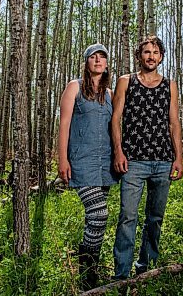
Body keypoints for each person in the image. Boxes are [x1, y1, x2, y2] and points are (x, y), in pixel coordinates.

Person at [111, 35, 183, 279]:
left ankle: (146, 269)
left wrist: (178, 158)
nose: (151, 56)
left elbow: (174, 123)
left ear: (161, 57)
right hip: (133, 161)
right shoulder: (125, 81)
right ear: (139, 56)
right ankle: (121, 274)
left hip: (163, 160)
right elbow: (115, 119)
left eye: (155, 52)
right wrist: (119, 152)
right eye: (146, 52)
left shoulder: (169, 85)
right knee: (127, 217)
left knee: (155, 218)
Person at [57, 43, 118, 290]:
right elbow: (64, 124)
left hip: (105, 163)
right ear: (86, 62)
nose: (97, 60)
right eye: (93, 57)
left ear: (106, 64)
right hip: (81, 161)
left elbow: (115, 128)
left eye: (102, 57)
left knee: (94, 220)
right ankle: (88, 273)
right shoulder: (74, 87)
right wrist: (62, 158)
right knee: (99, 214)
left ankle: (89, 269)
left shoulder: (110, 94)